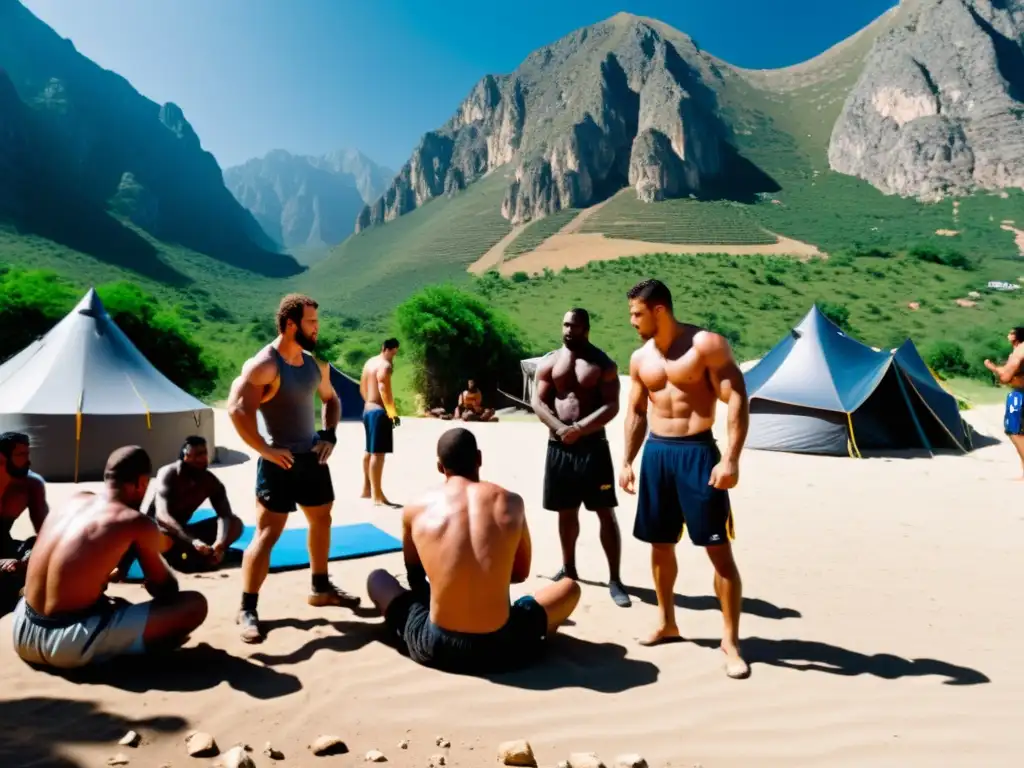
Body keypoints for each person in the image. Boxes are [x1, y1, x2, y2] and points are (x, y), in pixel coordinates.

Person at [366, 428, 581, 674]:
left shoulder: (416, 507)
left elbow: (415, 576)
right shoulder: (511, 502)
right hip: (501, 646)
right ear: (479, 458)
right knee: (569, 588)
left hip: (436, 645)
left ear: (439, 466)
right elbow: (520, 573)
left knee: (378, 579)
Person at [619, 279, 750, 679]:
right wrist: (626, 460)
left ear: (659, 310)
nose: (632, 322)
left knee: (718, 550)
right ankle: (667, 622)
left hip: (697, 453)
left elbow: (737, 397)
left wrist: (730, 459)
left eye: (637, 313)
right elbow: (637, 412)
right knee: (659, 545)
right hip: (658, 454)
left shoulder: (706, 346)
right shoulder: (640, 359)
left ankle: (730, 640)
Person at [227, 293, 359, 645]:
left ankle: (320, 587)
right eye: (312, 322)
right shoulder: (265, 365)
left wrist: (330, 433)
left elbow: (332, 400)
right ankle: (247, 608)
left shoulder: (317, 364)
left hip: (312, 458)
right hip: (279, 462)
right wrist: (265, 450)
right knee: (268, 534)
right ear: (291, 324)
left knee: (322, 520)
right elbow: (237, 409)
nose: (317, 328)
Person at [11, 446, 208, 669]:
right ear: (141, 483)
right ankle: (127, 652)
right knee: (194, 605)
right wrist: (149, 548)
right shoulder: (134, 521)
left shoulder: (73, 500)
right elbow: (166, 590)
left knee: (109, 604)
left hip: (22, 629)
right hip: (66, 644)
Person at [532, 309, 630, 607]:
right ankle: (569, 569)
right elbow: (538, 401)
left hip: (593, 448)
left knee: (604, 511)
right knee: (566, 510)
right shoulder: (549, 362)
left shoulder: (602, 364)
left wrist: (580, 428)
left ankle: (614, 578)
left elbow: (612, 405)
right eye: (565, 324)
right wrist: (561, 428)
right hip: (559, 446)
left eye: (574, 326)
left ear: (586, 328)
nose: (568, 330)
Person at [144, 436, 244, 571]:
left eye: (204, 453)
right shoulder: (168, 474)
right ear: (185, 456)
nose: (203, 459)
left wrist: (220, 543)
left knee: (235, 523)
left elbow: (224, 515)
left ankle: (212, 555)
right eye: (197, 455)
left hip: (185, 532)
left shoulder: (211, 482)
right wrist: (192, 541)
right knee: (166, 536)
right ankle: (197, 557)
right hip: (161, 533)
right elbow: (162, 516)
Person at [0, 432, 49, 606]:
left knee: (40, 549)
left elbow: (46, 533)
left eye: (28, 454)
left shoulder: (31, 485)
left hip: (5, 545)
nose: (28, 461)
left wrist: (31, 557)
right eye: (21, 455)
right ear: (2, 457)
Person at [360, 338, 401, 506]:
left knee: (369, 451)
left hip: (368, 409)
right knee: (378, 453)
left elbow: (362, 387)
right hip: (379, 411)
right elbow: (384, 388)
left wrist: (368, 402)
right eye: (392, 353)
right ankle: (377, 496)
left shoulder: (370, 362)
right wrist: (392, 413)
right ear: (385, 349)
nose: (393, 357)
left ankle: (367, 489)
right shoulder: (385, 366)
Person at [984, 326, 1024, 477]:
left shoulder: (1019, 351)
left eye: (1011, 333)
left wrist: (992, 368)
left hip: (1020, 395)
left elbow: (1006, 377)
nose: (1008, 335)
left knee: (1014, 431)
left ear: (1016, 337)